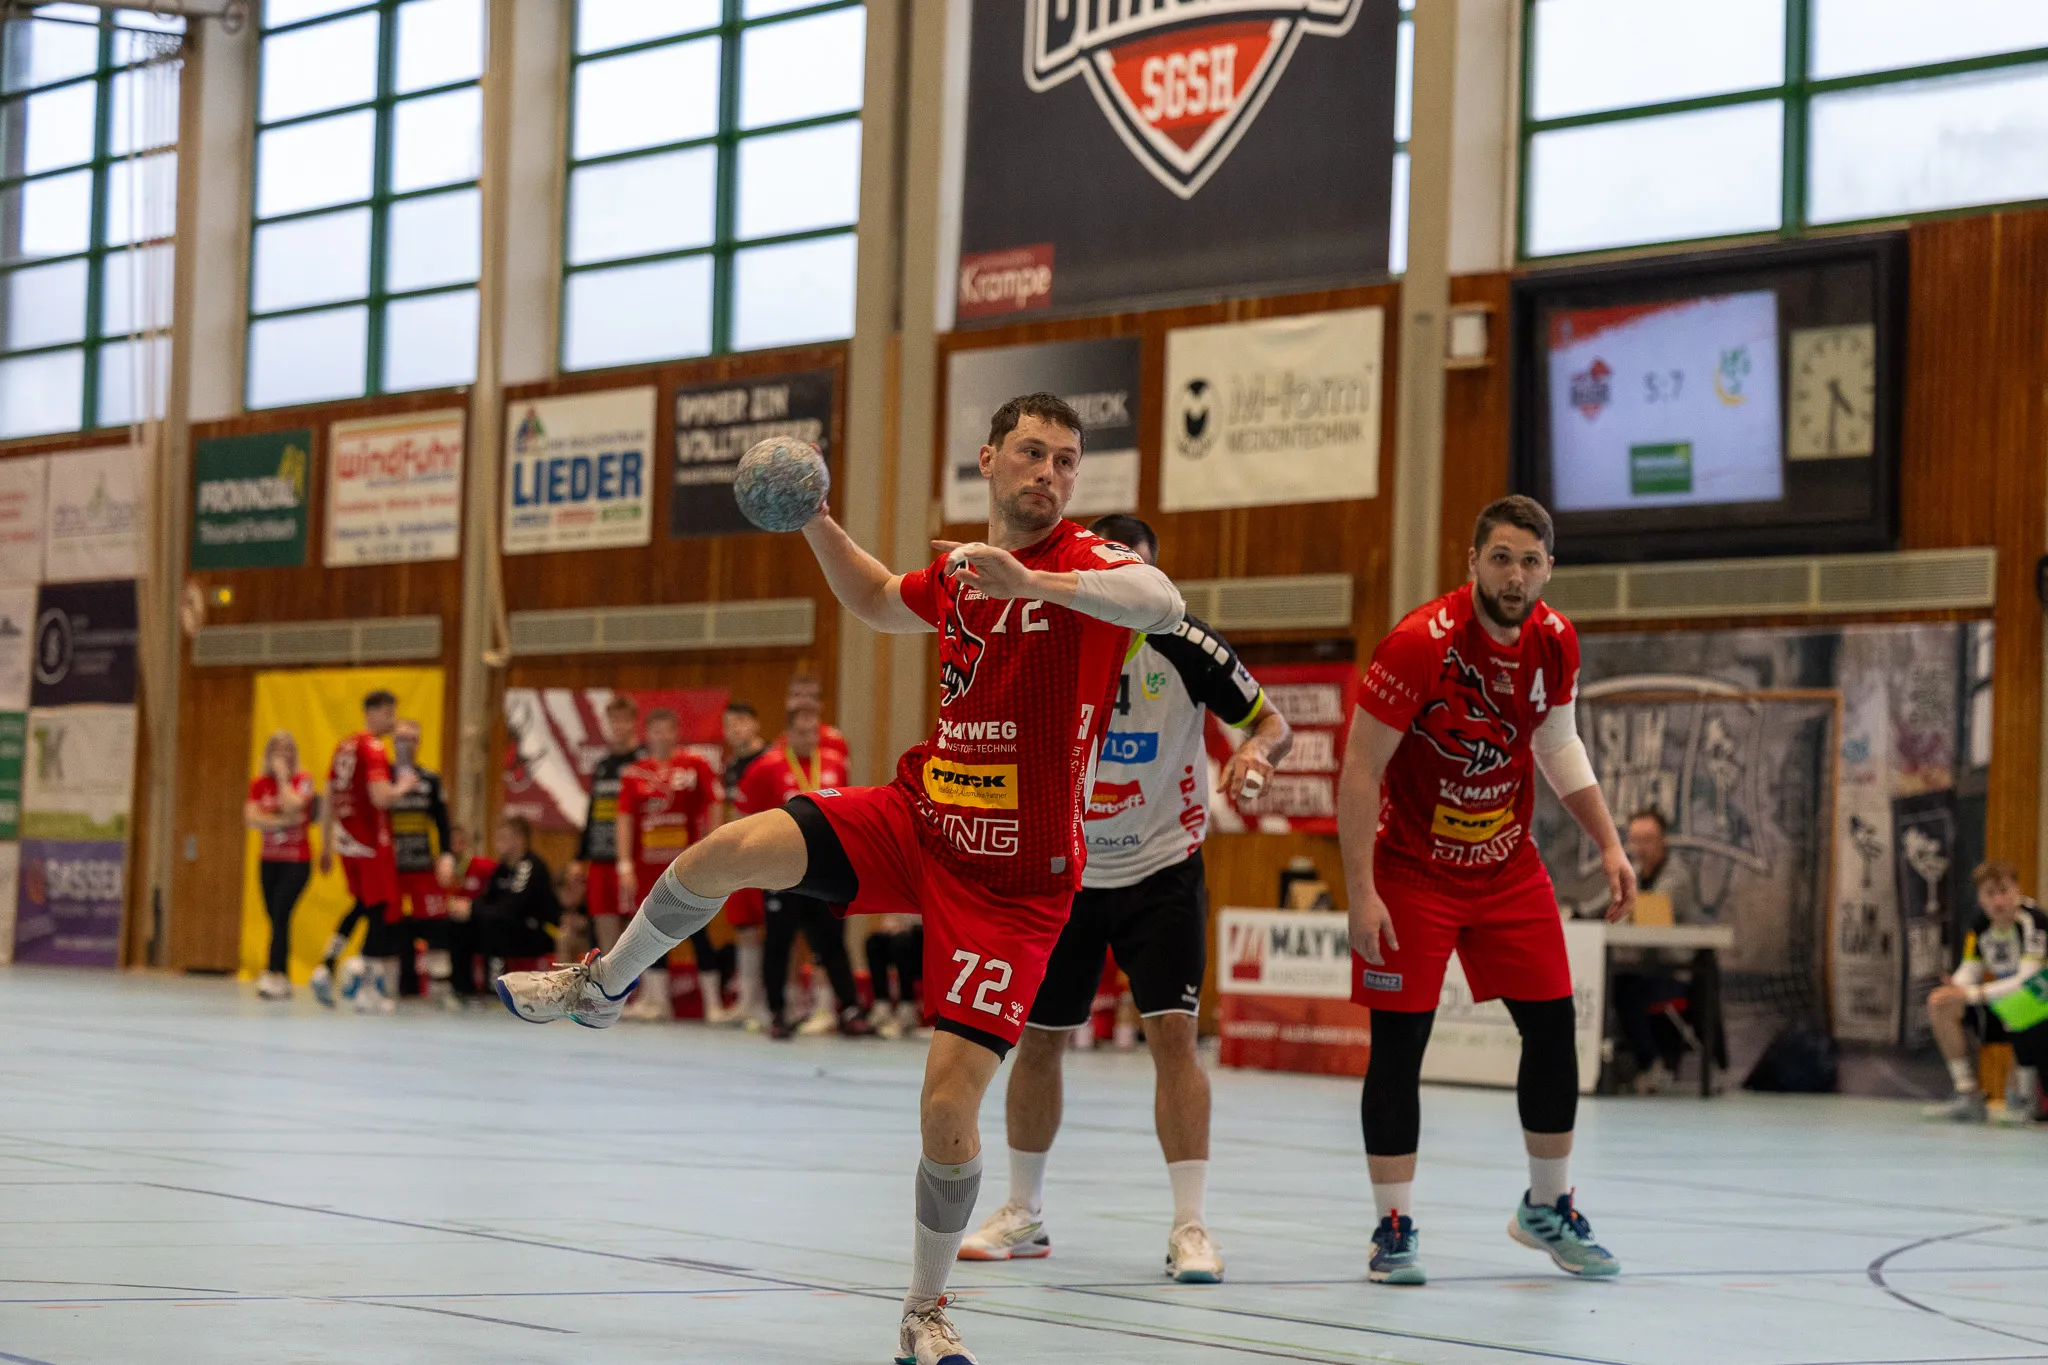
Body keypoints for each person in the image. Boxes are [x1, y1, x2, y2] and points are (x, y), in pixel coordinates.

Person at [497, 391, 1183, 1365]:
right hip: (921, 819)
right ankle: (604, 982)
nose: (1049, 473)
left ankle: (923, 1310)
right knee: (721, 853)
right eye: (1031, 453)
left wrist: (1042, 588)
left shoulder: (1082, 564)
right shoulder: (956, 576)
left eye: (1067, 460)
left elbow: (1163, 601)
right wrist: (815, 517)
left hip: (1016, 887)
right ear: (986, 461)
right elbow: (869, 598)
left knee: (947, 1109)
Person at [958, 512, 1292, 1284]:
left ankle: (1192, 1226)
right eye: (1113, 583)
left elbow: (1269, 721)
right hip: (1065, 868)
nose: (1130, 597)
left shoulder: (1185, 643)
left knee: (1173, 1038)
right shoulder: (1047, 634)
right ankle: (1024, 1213)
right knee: (1039, 1039)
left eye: (1144, 583)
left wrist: (1252, 753)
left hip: (1162, 865)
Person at [1337, 495, 1634, 1286]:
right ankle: (1393, 1223)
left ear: (1549, 568)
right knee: (1399, 1049)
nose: (1515, 574)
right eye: (1501, 557)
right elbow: (1361, 767)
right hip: (1412, 869)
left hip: (1506, 866)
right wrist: (1361, 892)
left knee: (1553, 1028)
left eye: (1531, 560)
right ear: (1472, 561)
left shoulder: (1556, 640)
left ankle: (1547, 1206)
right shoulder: (1416, 644)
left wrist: (1608, 842)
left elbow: (1557, 742)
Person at [735, 707, 868, 1039]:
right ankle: (777, 1013)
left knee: (833, 942)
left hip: (825, 872)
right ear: (789, 734)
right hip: (780, 871)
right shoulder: (766, 767)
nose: (809, 738)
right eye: (802, 732)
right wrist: (751, 863)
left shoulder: (836, 764)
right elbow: (743, 815)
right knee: (778, 943)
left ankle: (849, 1009)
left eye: (814, 733)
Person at [614, 707, 724, 1022]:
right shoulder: (635, 772)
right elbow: (624, 818)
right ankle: (658, 1002)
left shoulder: (694, 765)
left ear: (677, 733)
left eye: (667, 730)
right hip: (647, 864)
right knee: (651, 928)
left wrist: (713, 846)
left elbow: (714, 802)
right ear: (646, 734)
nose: (661, 736)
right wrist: (624, 863)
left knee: (698, 929)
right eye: (655, 730)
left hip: (686, 864)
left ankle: (713, 1004)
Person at [313, 690, 418, 1011]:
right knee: (381, 907)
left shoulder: (343, 746)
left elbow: (329, 795)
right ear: (373, 713)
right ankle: (364, 982)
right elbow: (379, 797)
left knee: (362, 903)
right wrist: (404, 786)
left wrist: (327, 843)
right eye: (389, 714)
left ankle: (327, 964)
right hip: (370, 840)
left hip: (347, 840)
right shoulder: (371, 747)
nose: (392, 721)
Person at [1924, 860, 2048, 1123]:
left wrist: (1970, 994)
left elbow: (2027, 980)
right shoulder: (1980, 927)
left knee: (2021, 1002)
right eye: (1990, 894)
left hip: (2038, 1009)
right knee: (1940, 1003)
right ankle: (1967, 1094)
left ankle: (2027, 1097)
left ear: (2017, 890)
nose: (1999, 901)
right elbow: (1970, 970)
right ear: (1981, 899)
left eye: (2004, 891)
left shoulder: (2033, 922)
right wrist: (1954, 986)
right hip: (2001, 1003)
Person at [1610, 808, 1709, 1092]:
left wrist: (1619, 902)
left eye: (1647, 839)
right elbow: (1607, 901)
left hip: (1676, 973)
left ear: (1663, 840)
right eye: (1635, 840)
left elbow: (1649, 907)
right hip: (1644, 969)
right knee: (1618, 983)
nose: (1640, 847)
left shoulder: (1677, 877)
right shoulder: (1633, 872)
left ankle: (1652, 1065)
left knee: (1626, 989)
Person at [245, 730, 318, 1001]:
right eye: (277, 748)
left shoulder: (303, 779)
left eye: (288, 748)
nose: (282, 753)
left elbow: (296, 805)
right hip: (269, 860)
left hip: (296, 860)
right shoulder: (259, 784)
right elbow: (252, 817)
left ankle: (272, 972)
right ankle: (283, 976)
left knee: (281, 910)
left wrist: (284, 778)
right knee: (275, 917)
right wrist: (284, 821)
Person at [388, 718, 456, 998]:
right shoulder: (383, 778)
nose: (407, 744)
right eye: (402, 738)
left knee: (435, 922)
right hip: (391, 869)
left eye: (413, 739)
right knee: (395, 924)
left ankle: (440, 987)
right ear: (393, 742)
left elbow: (442, 823)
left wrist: (447, 856)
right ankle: (400, 989)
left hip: (422, 866)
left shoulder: (430, 780)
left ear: (419, 743)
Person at [449, 816, 563, 982]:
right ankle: (462, 987)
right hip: (511, 925)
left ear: (520, 839)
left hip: (536, 931)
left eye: (503, 837)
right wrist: (467, 908)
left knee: (493, 924)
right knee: (460, 924)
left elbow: (514, 908)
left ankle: (495, 986)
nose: (497, 842)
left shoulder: (530, 866)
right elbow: (487, 899)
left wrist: (473, 910)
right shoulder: (502, 868)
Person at [720, 700, 770, 1027]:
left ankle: (777, 1001)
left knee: (779, 929)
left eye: (741, 721)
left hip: (767, 854)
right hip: (738, 856)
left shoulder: (770, 760)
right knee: (745, 927)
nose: (734, 729)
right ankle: (747, 1002)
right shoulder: (731, 765)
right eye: (728, 724)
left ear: (755, 725)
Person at [581, 695, 645, 952]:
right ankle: (609, 988)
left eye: (623, 721)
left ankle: (641, 988)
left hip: (632, 858)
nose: (617, 726)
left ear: (633, 723)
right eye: (613, 721)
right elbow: (592, 812)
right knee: (603, 925)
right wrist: (580, 856)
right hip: (600, 857)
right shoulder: (602, 765)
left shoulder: (642, 761)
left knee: (636, 927)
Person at [865, 914, 925, 1038]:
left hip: (925, 935)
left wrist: (909, 927)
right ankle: (882, 1004)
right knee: (874, 941)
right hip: (903, 931)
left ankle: (907, 1007)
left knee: (901, 941)